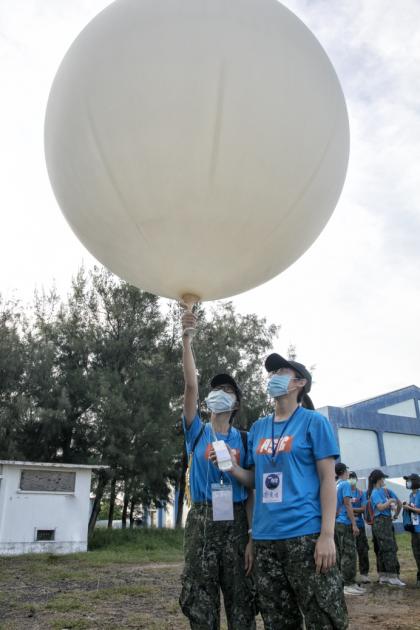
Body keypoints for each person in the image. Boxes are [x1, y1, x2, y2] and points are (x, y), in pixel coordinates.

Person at [226, 352, 348, 630]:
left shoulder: (313, 423)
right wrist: (233, 469)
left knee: (324, 617)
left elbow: (328, 480)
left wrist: (327, 535)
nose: (273, 377)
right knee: (277, 620)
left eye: (281, 372)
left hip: (305, 535)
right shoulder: (258, 428)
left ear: (299, 383)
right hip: (266, 540)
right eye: (272, 372)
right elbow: (255, 480)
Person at [179, 308, 256, 630]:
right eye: (216, 391)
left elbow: (253, 484)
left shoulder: (245, 438)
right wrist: (186, 338)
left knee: (241, 599)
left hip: (237, 520)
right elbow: (190, 386)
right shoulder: (195, 430)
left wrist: (235, 468)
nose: (219, 395)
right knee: (200, 597)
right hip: (202, 518)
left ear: (236, 403)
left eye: (227, 391)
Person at [368, 469, 404, 587]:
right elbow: (381, 507)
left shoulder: (387, 491)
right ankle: (391, 576)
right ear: (378, 479)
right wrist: (390, 501)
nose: (384, 480)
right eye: (383, 478)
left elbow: (399, 503)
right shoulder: (375, 493)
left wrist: (396, 515)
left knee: (388, 547)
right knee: (386, 548)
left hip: (387, 521)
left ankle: (385, 576)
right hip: (380, 522)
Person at [335, 464, 365, 595]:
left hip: (337, 522)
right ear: (343, 471)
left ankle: (349, 582)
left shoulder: (336, 484)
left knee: (343, 552)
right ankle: (347, 584)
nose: (348, 473)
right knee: (349, 553)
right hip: (345, 522)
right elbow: (347, 504)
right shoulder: (345, 484)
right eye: (347, 470)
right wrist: (354, 523)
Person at [348, 471, 370, 584]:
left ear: (356, 479)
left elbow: (363, 508)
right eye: (349, 478)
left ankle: (364, 574)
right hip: (347, 526)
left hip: (360, 526)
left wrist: (350, 510)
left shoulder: (361, 493)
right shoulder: (343, 492)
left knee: (362, 549)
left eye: (353, 478)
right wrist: (352, 510)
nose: (351, 480)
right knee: (349, 552)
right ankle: (350, 575)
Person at [402, 473, 420, 587]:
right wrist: (408, 506)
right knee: (417, 554)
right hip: (414, 529)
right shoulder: (411, 495)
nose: (407, 482)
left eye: (409, 480)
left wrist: (409, 507)